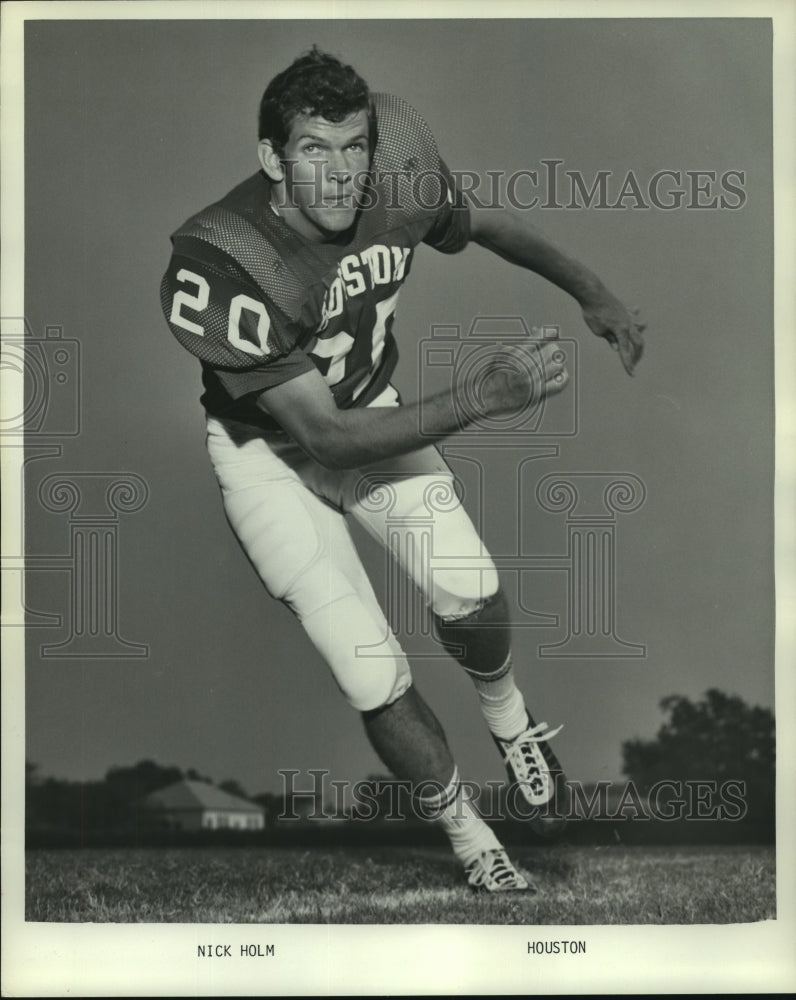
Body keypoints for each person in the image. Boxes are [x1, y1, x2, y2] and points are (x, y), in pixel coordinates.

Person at [160, 47, 645, 893]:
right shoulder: (228, 258)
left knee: (472, 586)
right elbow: (326, 437)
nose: (343, 171)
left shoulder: (401, 167)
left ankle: (509, 718)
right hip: (269, 452)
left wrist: (590, 289)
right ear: (272, 157)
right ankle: (469, 836)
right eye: (316, 149)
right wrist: (481, 395)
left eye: (354, 146)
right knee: (369, 669)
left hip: (373, 411)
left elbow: (485, 225)